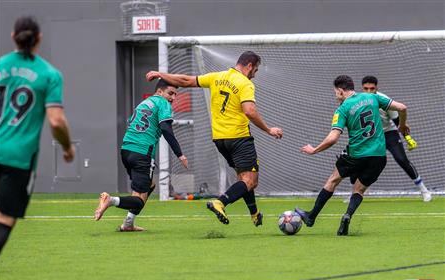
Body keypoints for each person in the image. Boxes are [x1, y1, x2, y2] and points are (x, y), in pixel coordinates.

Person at [146, 51, 283, 227]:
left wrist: (160, 74)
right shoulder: (245, 84)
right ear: (249, 66)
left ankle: (254, 213)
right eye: (255, 70)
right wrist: (269, 129)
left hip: (220, 140)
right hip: (239, 137)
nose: (254, 75)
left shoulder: (216, 77)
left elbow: (186, 81)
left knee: (244, 178)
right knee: (251, 180)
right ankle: (221, 202)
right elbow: (249, 111)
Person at [0, 16, 74, 259]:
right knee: (4, 218)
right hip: (18, 159)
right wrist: (67, 147)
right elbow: (56, 120)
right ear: (39, 38)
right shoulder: (49, 74)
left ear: (13, 37)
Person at [296, 75, 409, 236]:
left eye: (336, 92)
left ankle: (311, 216)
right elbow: (402, 108)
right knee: (359, 189)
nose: (336, 96)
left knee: (333, 180)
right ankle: (347, 215)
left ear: (341, 91)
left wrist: (315, 150)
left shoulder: (342, 109)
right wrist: (403, 125)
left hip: (356, 154)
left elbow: (333, 138)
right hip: (378, 156)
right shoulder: (373, 97)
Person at [94, 79, 188, 231]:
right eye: (171, 93)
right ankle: (110, 200)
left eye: (176, 95)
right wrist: (180, 154)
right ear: (160, 92)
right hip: (142, 153)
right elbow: (166, 129)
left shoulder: (144, 103)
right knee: (139, 200)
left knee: (149, 185)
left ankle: (128, 224)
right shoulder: (162, 103)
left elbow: (131, 122)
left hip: (126, 150)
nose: (173, 98)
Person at [360, 76, 431, 202]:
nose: (369, 91)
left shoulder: (385, 100)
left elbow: (398, 122)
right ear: (362, 88)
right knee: (360, 162)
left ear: (377, 87)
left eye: (372, 88)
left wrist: (408, 138)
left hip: (389, 133)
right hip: (371, 136)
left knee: (401, 159)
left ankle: (424, 190)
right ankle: (356, 192)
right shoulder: (357, 101)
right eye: (366, 89)